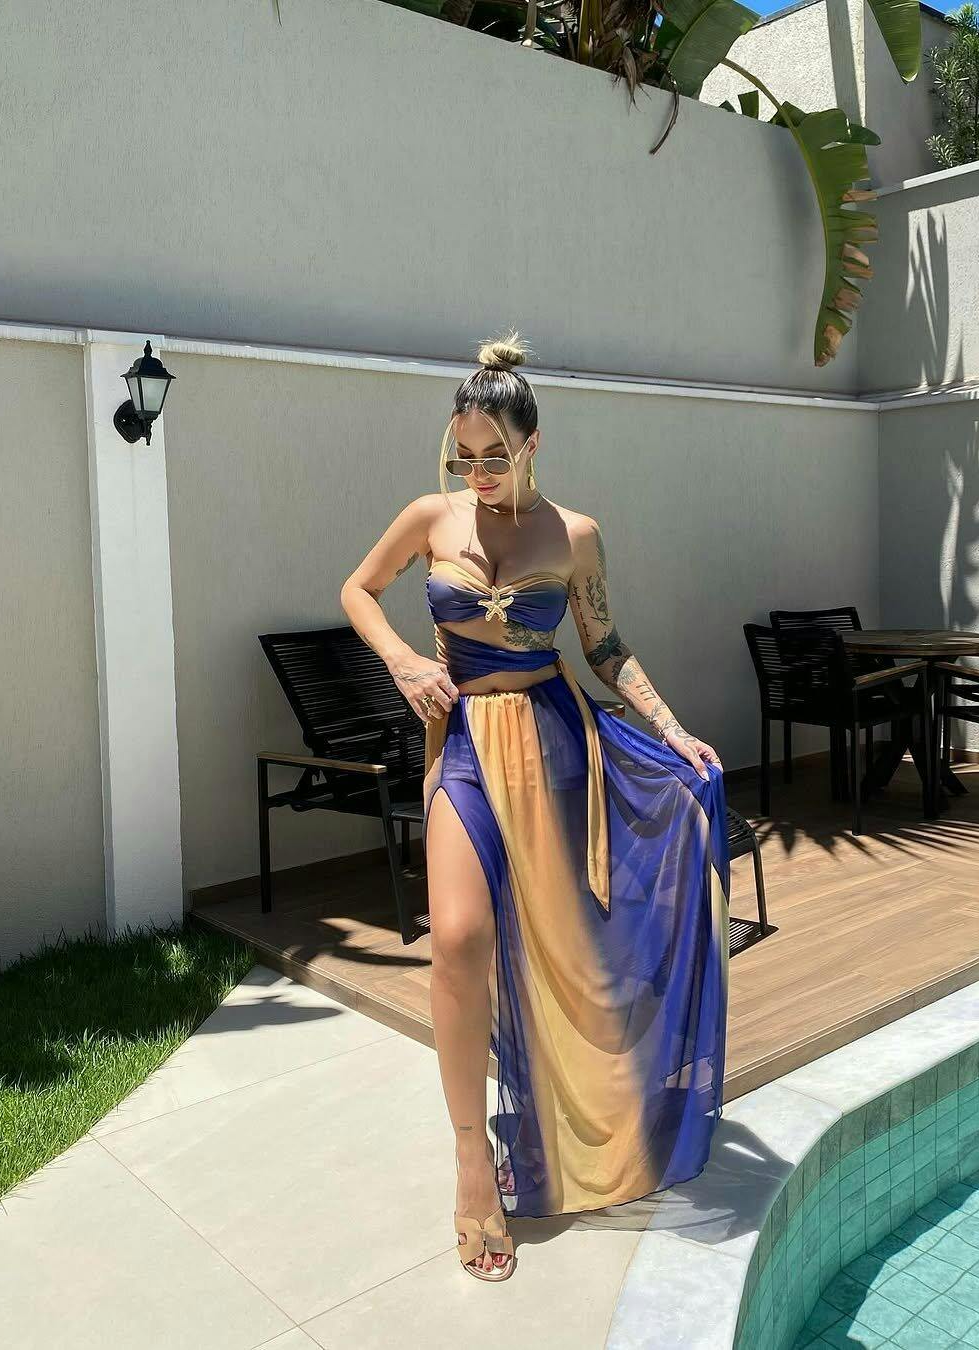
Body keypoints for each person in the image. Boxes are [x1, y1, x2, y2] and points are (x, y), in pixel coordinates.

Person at [339, 329, 730, 1284]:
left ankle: (597, 1111)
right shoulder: (430, 517)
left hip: (557, 744)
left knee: (575, 948)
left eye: (493, 456)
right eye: (461, 456)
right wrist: (404, 661)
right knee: (459, 939)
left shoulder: (575, 534)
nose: (476, 474)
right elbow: (359, 589)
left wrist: (673, 727)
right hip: (466, 746)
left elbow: (605, 647)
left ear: (532, 445)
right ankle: (472, 1159)